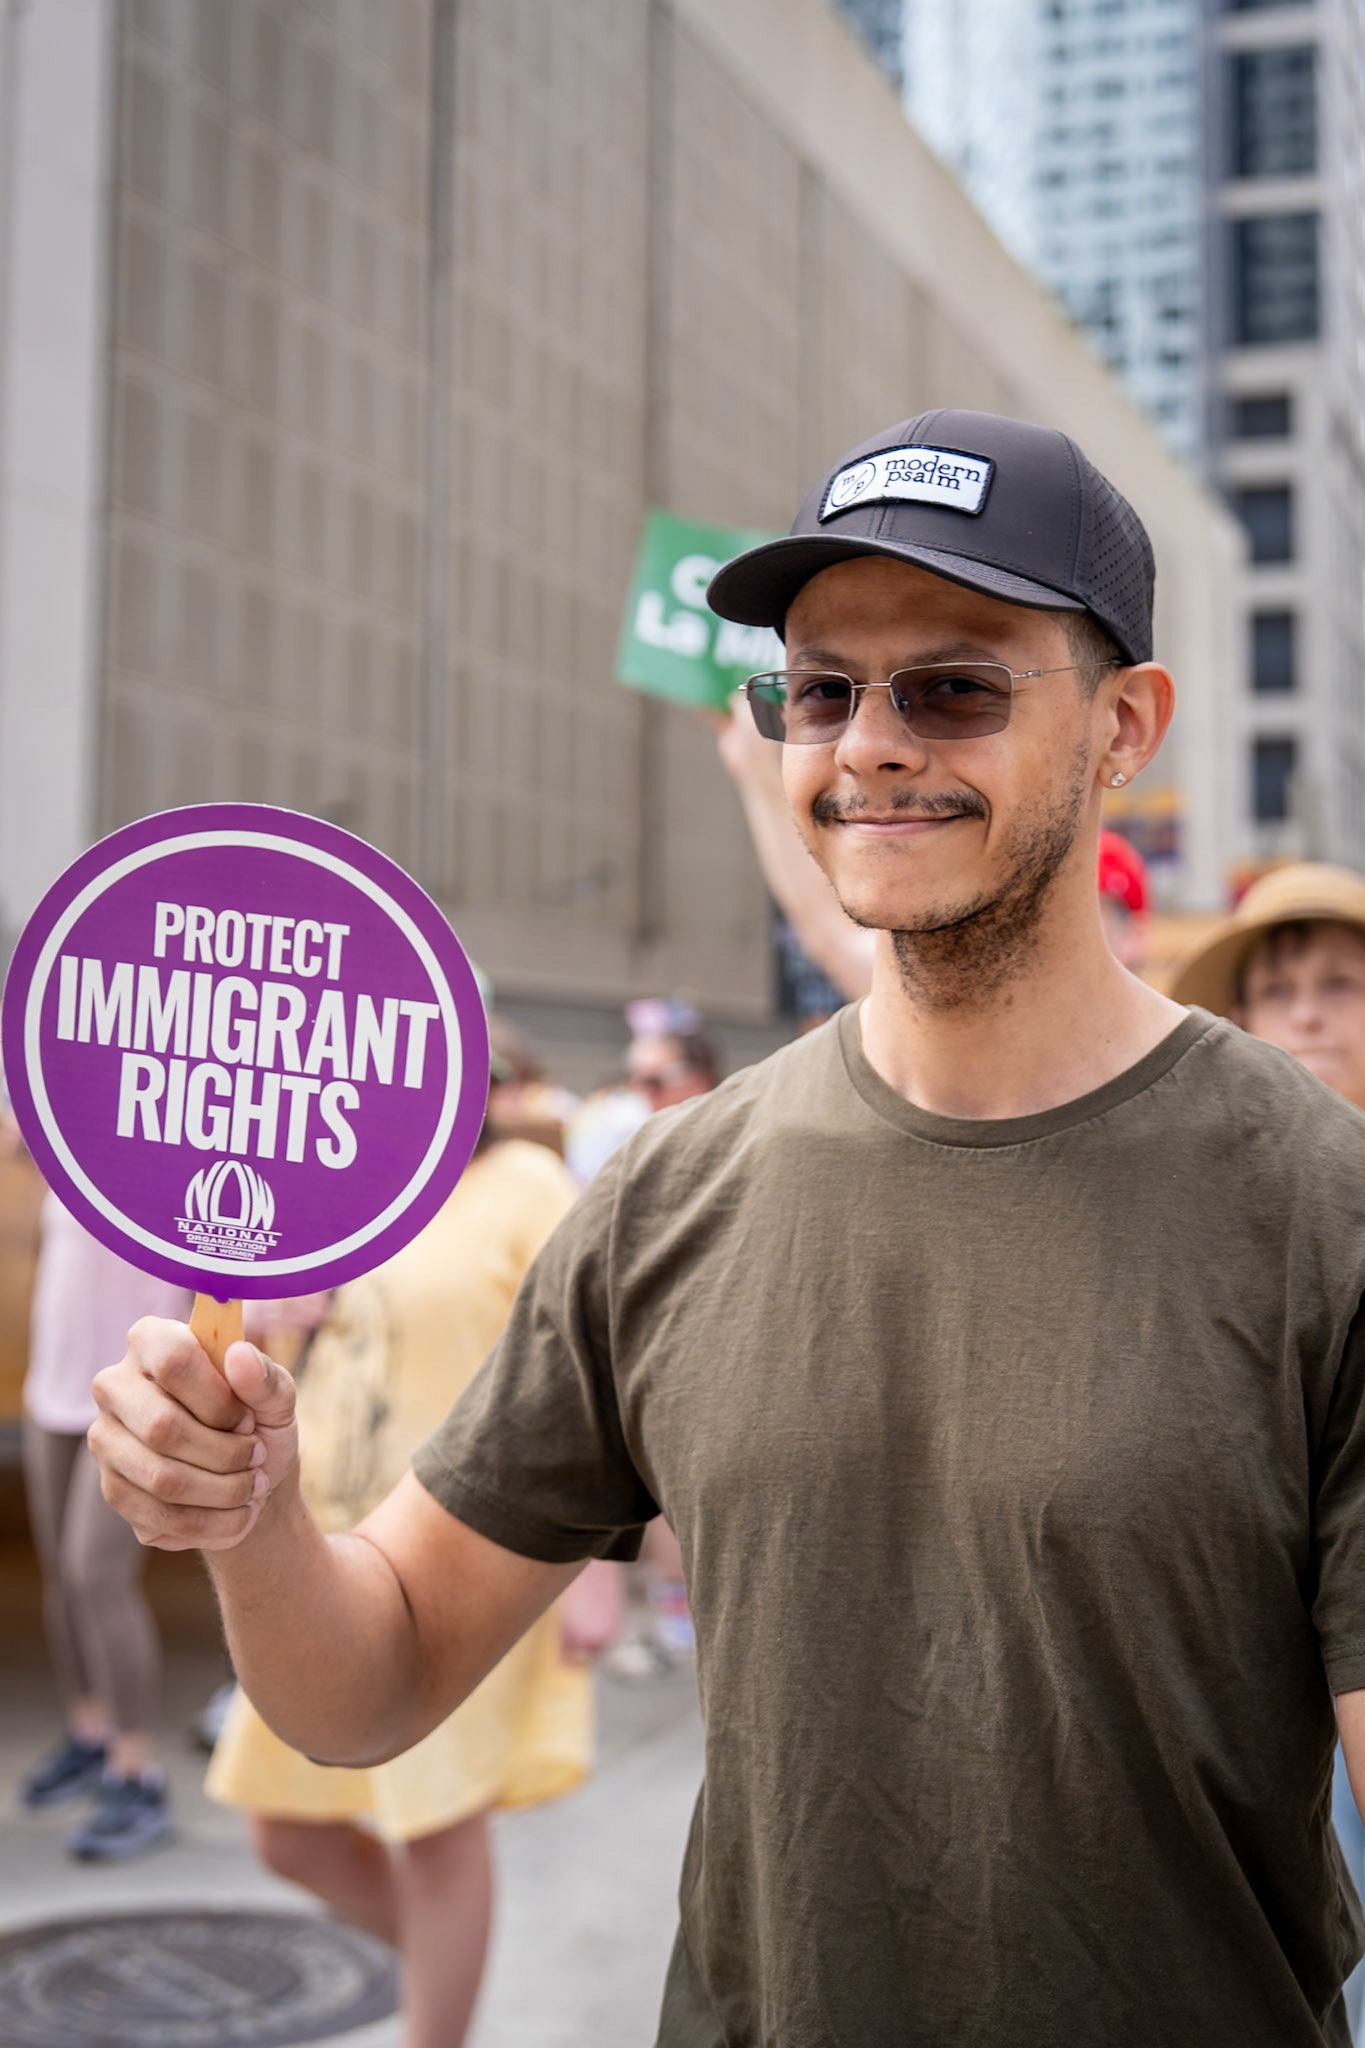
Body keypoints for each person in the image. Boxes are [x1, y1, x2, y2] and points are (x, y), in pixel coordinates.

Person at [89, 408, 1365, 2044]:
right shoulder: (669, 1196)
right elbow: (370, 1679)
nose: (869, 744)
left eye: (952, 687)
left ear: (1125, 726)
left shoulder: (1316, 1209)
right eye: (820, 690)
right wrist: (248, 1507)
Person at [204, 1126, 617, 2048]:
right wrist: (264, 1311)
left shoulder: (522, 1181)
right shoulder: (322, 1179)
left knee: (435, 1829)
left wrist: (595, 1563)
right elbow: (252, 1368)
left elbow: (597, 1362)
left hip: (473, 1552)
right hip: (320, 1550)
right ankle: (446, 1957)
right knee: (287, 1832)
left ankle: (436, 2019)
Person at [1170, 861, 1365, 2043]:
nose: (1305, 1014)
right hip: (1242, 1705)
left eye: (1340, 984)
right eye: (1277, 988)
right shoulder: (1193, 1202)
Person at [20, 1189, 186, 1858]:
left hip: (133, 1395)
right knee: (62, 1575)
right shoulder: (61, 1150)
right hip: (52, 1384)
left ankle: (135, 1772)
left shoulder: (163, 1153)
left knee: (95, 1577)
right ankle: (90, 1735)